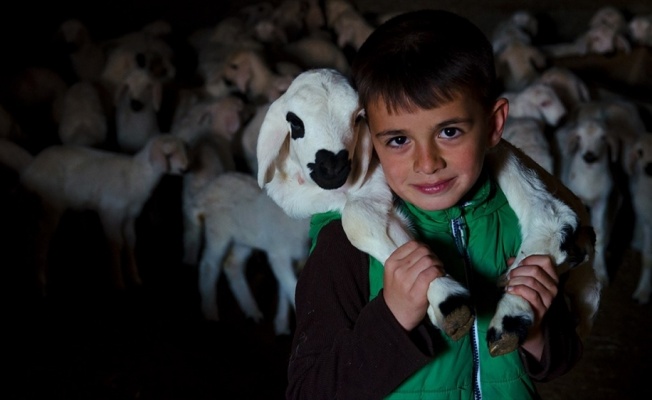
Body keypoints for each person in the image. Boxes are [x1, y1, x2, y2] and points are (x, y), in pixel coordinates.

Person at [285, 9, 582, 400]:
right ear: (367, 138)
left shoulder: (524, 225)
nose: (427, 164)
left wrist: (539, 329)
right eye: (397, 140)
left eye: (449, 131)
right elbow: (308, 391)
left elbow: (560, 361)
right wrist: (391, 318)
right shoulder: (345, 246)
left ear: (494, 125)